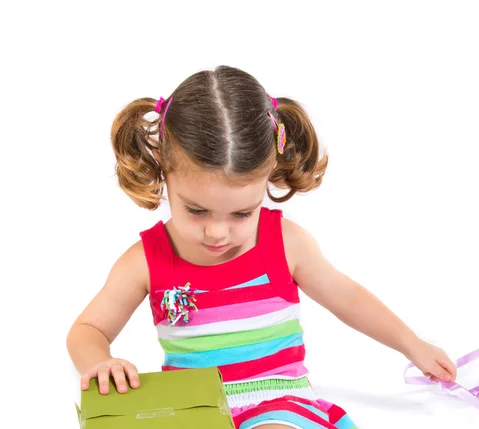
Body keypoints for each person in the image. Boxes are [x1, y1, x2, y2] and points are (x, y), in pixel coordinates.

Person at [66, 65, 457, 429]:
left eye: (241, 213)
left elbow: (348, 298)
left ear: (267, 181)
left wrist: (413, 344)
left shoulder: (285, 243)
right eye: (197, 210)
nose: (217, 232)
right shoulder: (146, 261)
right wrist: (101, 363)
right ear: (163, 171)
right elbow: (87, 329)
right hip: (193, 409)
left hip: (279, 403)